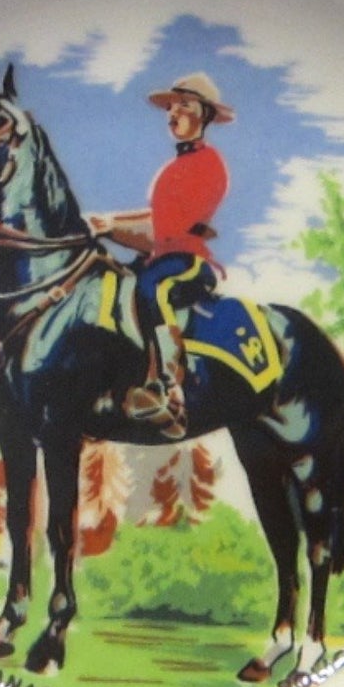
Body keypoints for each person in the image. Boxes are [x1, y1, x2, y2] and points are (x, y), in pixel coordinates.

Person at [87, 72, 233, 439]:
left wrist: (111, 226)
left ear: (204, 114)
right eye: (170, 106)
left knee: (154, 288)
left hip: (187, 261)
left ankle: (170, 387)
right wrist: (109, 224)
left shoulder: (210, 163)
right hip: (158, 258)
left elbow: (169, 228)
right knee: (112, 285)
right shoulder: (172, 168)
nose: (173, 113)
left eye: (183, 105)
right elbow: (156, 218)